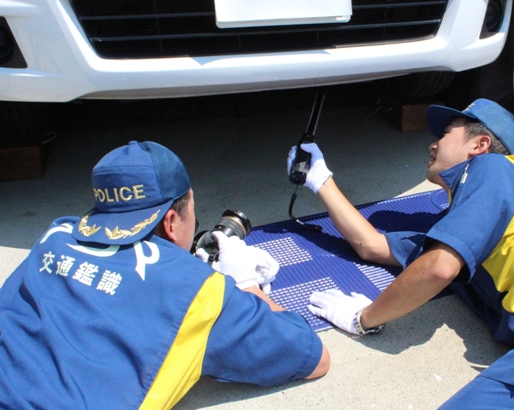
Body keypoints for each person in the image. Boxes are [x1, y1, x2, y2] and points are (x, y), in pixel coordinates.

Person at [289, 98, 514, 409]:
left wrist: (364, 317)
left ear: (480, 145)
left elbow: (438, 269)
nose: (432, 143)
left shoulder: (496, 169)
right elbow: (373, 246)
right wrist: (320, 180)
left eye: (445, 134)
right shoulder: (461, 230)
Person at [0, 141, 330, 410]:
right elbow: (313, 357)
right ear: (171, 222)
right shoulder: (196, 291)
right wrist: (244, 285)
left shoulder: (56, 235)